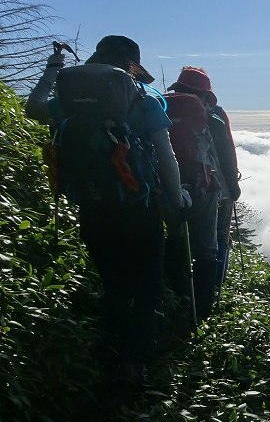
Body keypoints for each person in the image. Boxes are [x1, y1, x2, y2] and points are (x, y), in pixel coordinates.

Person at [26, 35, 189, 387]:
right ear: (132, 66)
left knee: (114, 282)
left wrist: (54, 70)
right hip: (139, 208)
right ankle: (134, 362)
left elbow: (34, 108)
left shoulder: (71, 97)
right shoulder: (143, 96)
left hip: (92, 204)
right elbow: (166, 156)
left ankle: (108, 346)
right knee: (147, 286)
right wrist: (176, 202)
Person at [163, 66, 240, 322]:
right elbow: (226, 154)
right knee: (210, 246)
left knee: (175, 237)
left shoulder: (160, 105)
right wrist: (233, 186)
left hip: (166, 186)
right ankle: (204, 306)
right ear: (206, 94)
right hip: (204, 186)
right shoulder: (214, 116)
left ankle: (179, 290)